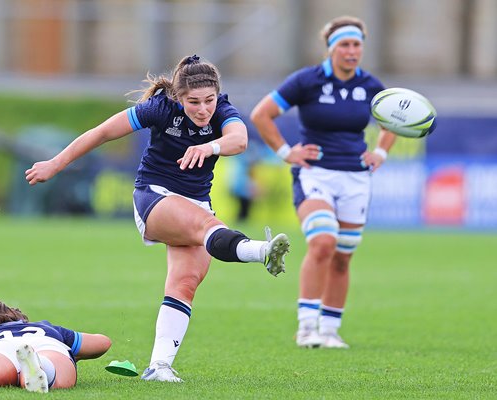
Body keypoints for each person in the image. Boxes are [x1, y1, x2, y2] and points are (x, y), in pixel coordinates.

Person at [25, 55, 290, 382]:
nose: (203, 109)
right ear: (179, 97)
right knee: (207, 227)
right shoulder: (160, 109)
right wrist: (55, 163)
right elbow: (103, 132)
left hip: (196, 202)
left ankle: (159, 367)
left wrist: (210, 148)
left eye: (208, 101)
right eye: (193, 102)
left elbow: (239, 139)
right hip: (155, 195)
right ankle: (263, 252)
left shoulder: (222, 110)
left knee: (185, 284)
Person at [250, 16, 397, 349]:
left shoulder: (371, 85)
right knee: (322, 242)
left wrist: (381, 153)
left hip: (356, 179)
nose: (351, 51)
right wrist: (287, 151)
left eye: (356, 44)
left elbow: (395, 120)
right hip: (315, 173)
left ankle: (330, 330)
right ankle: (306, 328)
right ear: (331, 48)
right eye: (344, 44)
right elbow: (262, 114)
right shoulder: (307, 80)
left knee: (343, 255)